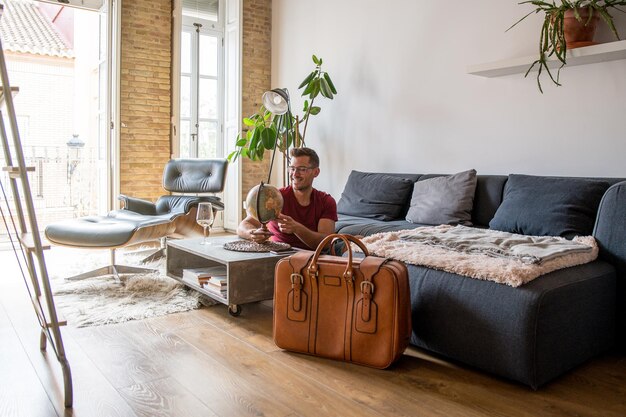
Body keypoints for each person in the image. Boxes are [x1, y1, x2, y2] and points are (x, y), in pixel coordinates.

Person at [237, 147, 338, 249]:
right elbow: (244, 225)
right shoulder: (275, 197)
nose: (295, 174)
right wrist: (252, 233)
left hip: (312, 259)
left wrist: (296, 228)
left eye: (302, 169)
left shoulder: (326, 201)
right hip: (278, 257)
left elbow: (326, 243)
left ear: (316, 172)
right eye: (292, 168)